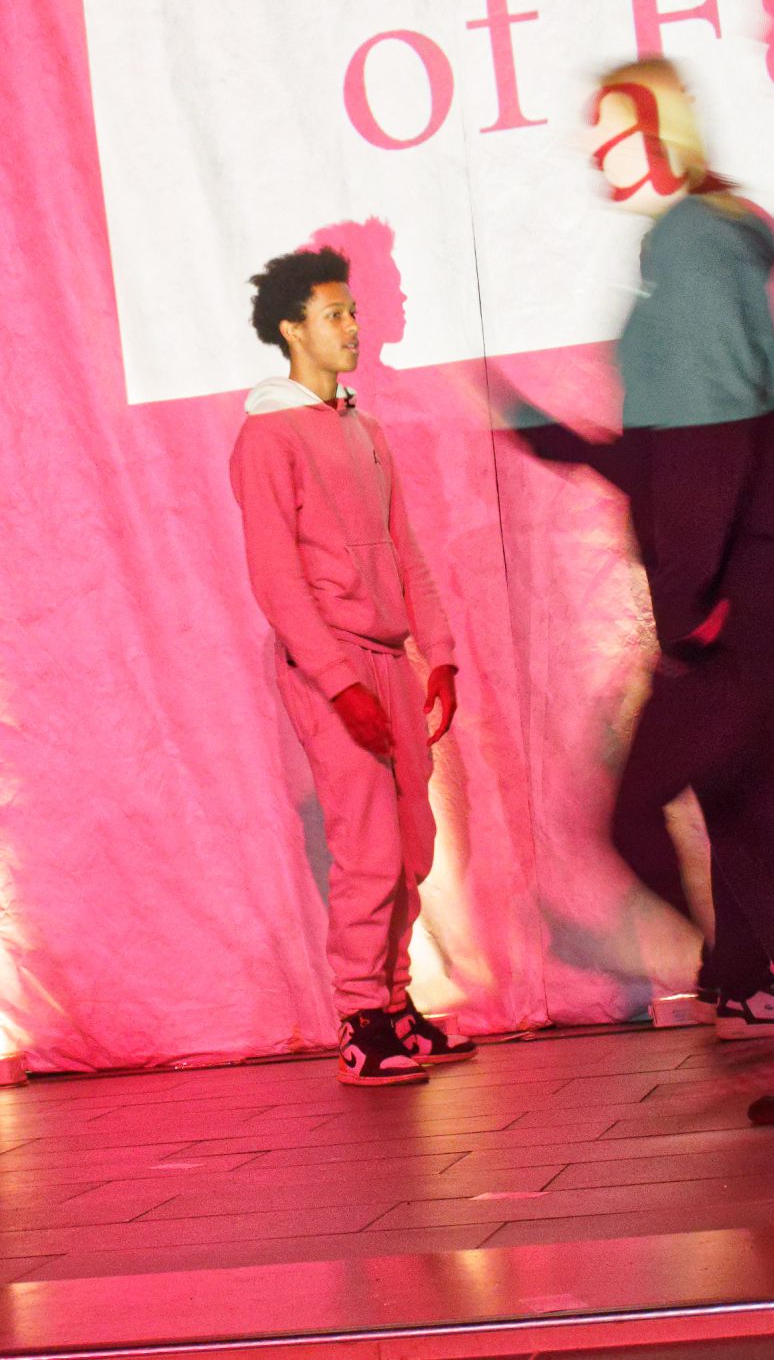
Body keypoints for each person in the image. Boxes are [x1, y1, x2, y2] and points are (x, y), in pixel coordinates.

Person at [496, 60, 774, 1122]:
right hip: (732, 602)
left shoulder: (691, 244)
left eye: (610, 129)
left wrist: (711, 599)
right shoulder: (689, 245)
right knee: (762, 831)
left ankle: (744, 976)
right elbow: (685, 449)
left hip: (721, 614)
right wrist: (551, 435)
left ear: (657, 130)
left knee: (648, 811)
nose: (595, 151)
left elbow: (723, 445)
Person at [231, 247, 472, 1086]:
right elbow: (276, 576)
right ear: (292, 328)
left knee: (411, 841)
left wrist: (440, 653)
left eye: (354, 312)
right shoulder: (268, 435)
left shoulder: (364, 430)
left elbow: (404, 548)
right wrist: (338, 683)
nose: (352, 327)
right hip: (328, 664)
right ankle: (361, 1019)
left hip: (389, 658)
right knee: (367, 842)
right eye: (333, 314)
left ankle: (395, 1004)